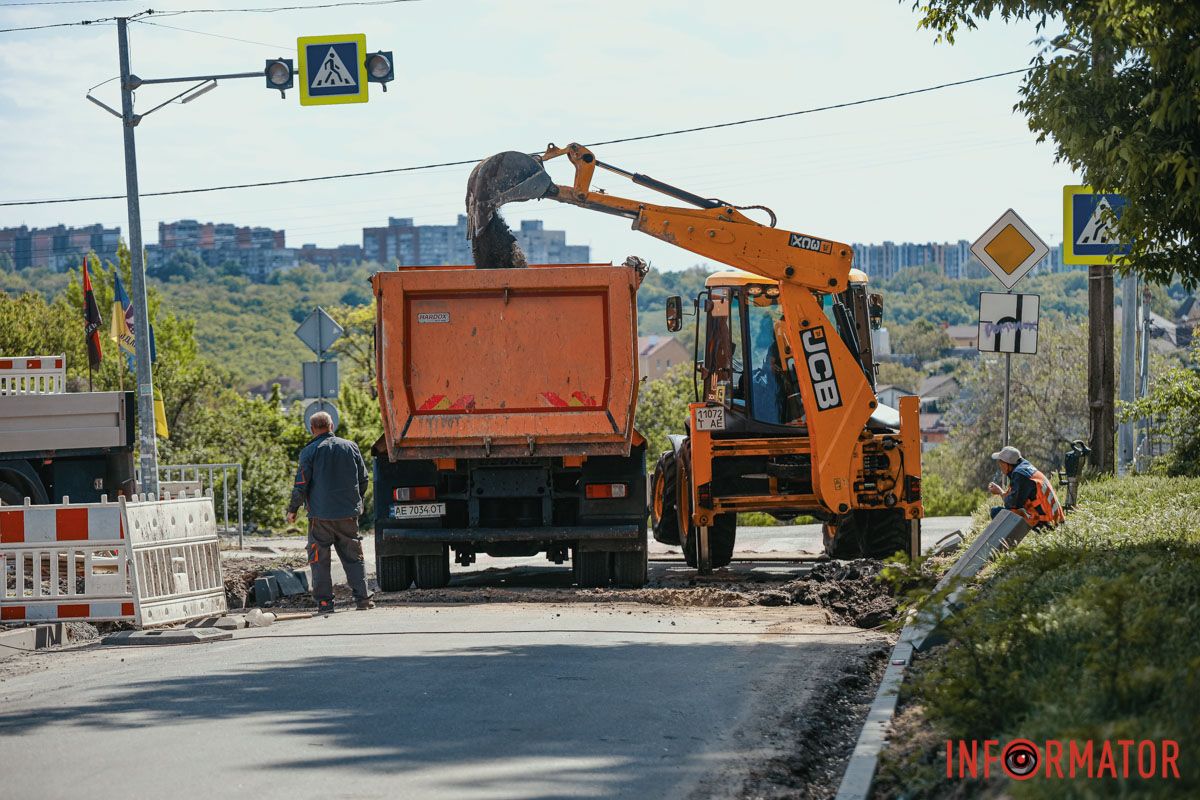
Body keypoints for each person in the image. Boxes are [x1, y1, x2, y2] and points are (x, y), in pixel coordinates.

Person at [286, 411, 374, 612]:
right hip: (348, 514)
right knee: (354, 557)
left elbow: (301, 484)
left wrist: (293, 510)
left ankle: (325, 603)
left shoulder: (309, 452)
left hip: (320, 517)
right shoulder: (351, 447)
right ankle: (363, 600)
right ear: (331, 425)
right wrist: (355, 501)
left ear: (311, 430)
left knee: (319, 559)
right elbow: (364, 479)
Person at [987, 445, 1065, 529]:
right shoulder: (1025, 469)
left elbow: (1011, 504)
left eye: (1000, 462)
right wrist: (1000, 491)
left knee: (997, 512)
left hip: (1047, 523)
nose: (1000, 465)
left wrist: (1000, 492)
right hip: (1055, 520)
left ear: (1006, 464)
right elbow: (1014, 500)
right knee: (1014, 512)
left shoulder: (1020, 475)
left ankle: (1005, 542)